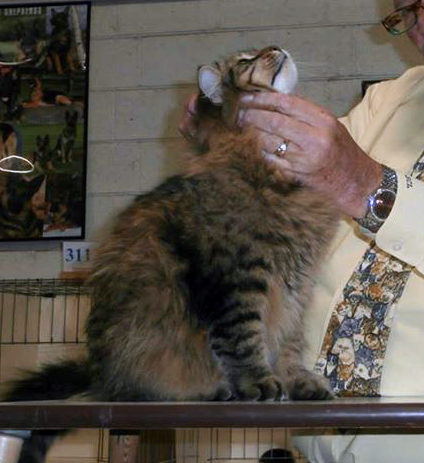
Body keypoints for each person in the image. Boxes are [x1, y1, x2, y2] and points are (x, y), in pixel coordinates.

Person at [179, 0, 424, 461]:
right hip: (320, 446)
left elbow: (354, 183)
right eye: (408, 12)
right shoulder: (388, 100)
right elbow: (277, 205)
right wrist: (227, 143)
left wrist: (367, 187)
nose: (421, 24)